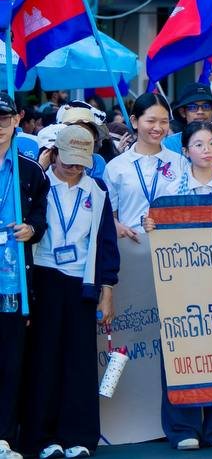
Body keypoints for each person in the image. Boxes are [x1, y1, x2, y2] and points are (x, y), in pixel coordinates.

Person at [141, 122, 212, 449]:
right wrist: (151, 223)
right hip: (182, 285)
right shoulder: (170, 192)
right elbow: (156, 229)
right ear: (186, 151)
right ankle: (183, 428)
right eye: (199, 144)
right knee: (180, 349)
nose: (207, 149)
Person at [24, 126, 117, 459]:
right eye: (68, 161)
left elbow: (107, 243)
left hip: (82, 280)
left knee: (79, 361)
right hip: (45, 278)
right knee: (44, 359)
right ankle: (41, 437)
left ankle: (79, 434)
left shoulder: (98, 189)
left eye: (81, 162)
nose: (75, 168)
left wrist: (107, 290)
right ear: (55, 153)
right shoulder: (38, 184)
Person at [0, 92, 50, 459]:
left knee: (10, 363)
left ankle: (3, 436)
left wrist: (31, 230)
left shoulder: (29, 170)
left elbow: (41, 219)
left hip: (13, 283)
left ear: (17, 119)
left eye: (3, 119)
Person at [105, 94, 183, 244]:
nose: (158, 128)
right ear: (134, 121)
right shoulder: (115, 167)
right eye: (151, 121)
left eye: (164, 122)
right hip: (130, 246)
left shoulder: (180, 163)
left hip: (171, 248)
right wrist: (117, 227)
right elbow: (110, 215)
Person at [163, 83, 212, 153]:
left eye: (206, 106)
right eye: (193, 107)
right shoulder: (168, 145)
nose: (200, 111)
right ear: (183, 112)